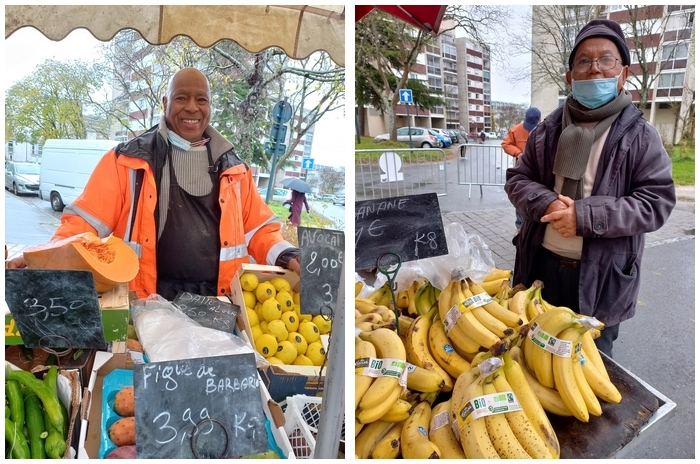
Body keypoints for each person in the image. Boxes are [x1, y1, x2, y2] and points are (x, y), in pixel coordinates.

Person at [7, 68, 301, 300]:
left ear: (210, 106)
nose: (192, 108)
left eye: (201, 99)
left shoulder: (234, 168)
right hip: (147, 301)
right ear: (165, 103)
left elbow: (261, 229)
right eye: (181, 97)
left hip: (218, 303)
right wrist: (40, 257)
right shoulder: (128, 161)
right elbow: (82, 226)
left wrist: (288, 254)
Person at [504, 19, 675, 357]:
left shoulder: (641, 136)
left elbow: (656, 202)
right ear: (570, 76)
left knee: (589, 366)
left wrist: (583, 216)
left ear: (622, 73)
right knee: (533, 356)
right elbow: (517, 180)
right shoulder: (547, 130)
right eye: (583, 60)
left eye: (606, 59)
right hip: (541, 267)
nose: (595, 69)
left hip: (602, 277)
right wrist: (546, 203)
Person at [502, 107, 541, 237]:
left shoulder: (546, 129)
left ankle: (536, 228)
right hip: (522, 170)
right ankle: (520, 227)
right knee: (520, 197)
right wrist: (518, 153)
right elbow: (506, 144)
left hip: (539, 171)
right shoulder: (516, 130)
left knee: (537, 198)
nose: (529, 129)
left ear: (539, 121)